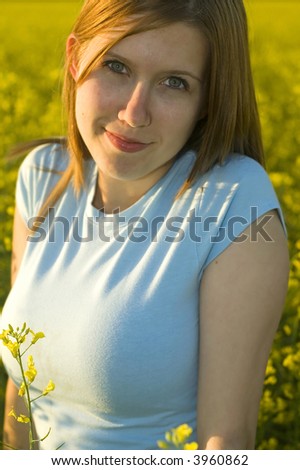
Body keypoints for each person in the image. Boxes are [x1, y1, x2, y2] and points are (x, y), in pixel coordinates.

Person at [1, 0, 289, 450]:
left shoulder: (234, 202)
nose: (135, 113)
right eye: (116, 66)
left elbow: (226, 441)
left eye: (175, 83)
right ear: (75, 59)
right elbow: (23, 386)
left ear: (208, 101)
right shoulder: (43, 177)